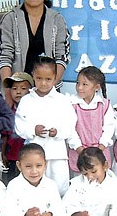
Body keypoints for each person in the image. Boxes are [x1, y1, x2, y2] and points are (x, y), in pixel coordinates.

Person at [0, 0, 70, 102]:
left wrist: (48, 88)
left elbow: (62, 56)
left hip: (49, 91)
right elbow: (4, 57)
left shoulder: (57, 20)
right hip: (18, 91)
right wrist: (9, 93)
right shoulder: (10, 19)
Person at [14, 56, 78, 196]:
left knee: (60, 186)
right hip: (33, 155)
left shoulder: (62, 100)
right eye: (39, 78)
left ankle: (58, 213)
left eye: (48, 79)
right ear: (33, 76)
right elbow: (19, 125)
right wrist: (32, 130)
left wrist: (58, 132)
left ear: (55, 77)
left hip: (56, 154)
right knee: (34, 186)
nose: (43, 83)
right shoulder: (26, 101)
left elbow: (70, 123)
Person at [67, 66, 115, 174]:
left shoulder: (105, 105)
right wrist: (80, 149)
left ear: (96, 87)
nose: (79, 87)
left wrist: (100, 148)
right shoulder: (72, 105)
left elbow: (109, 128)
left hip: (100, 152)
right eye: (78, 83)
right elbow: (70, 130)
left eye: (84, 84)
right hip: (79, 152)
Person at [1, 72, 33, 185]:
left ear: (31, 90)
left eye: (23, 88)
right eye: (14, 88)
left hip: (29, 156)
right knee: (11, 182)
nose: (18, 92)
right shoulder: (9, 111)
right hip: (12, 155)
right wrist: (3, 153)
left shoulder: (34, 110)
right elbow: (5, 134)